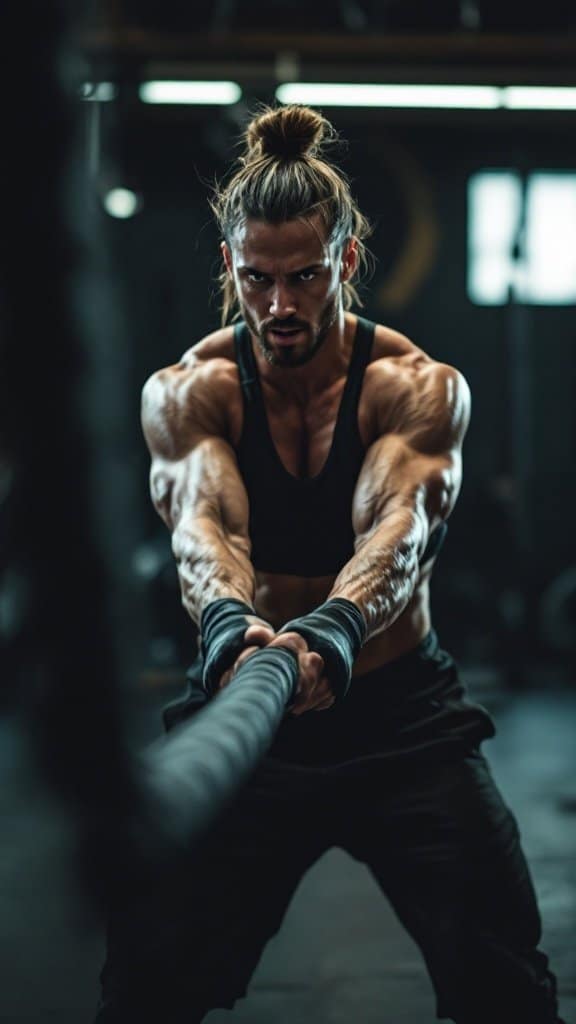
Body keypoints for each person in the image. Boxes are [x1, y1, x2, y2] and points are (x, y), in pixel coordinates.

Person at [94, 105, 565, 1023]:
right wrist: (232, 628)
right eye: (258, 278)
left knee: (504, 982)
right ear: (230, 265)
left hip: (399, 719)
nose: (279, 306)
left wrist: (337, 631)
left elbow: (401, 525)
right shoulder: (190, 392)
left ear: (345, 263)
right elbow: (203, 529)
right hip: (249, 706)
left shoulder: (415, 388)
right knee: (145, 982)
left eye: (304, 277)